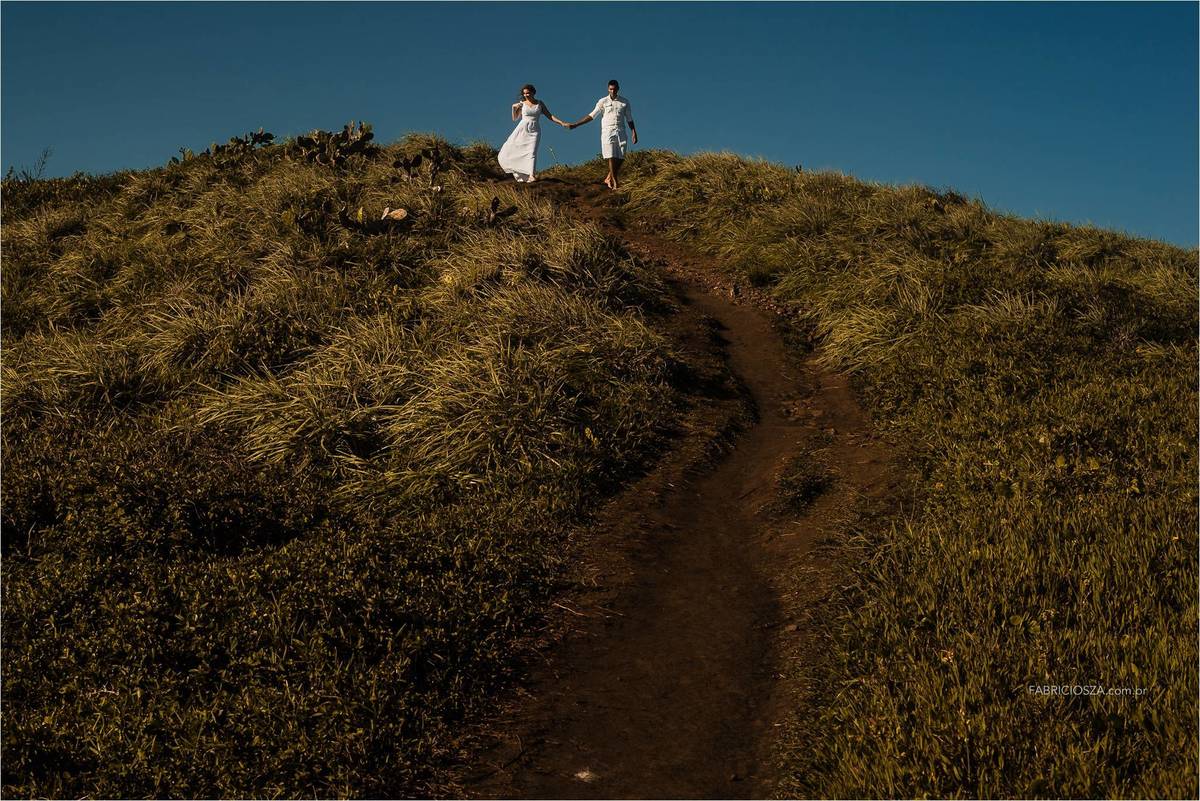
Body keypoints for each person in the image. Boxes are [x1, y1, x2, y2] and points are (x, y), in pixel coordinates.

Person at [567, 79, 638, 190]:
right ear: (608, 89)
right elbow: (592, 115)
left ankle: (609, 177)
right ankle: (615, 181)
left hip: (621, 130)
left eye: (614, 89)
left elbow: (629, 118)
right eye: (610, 89)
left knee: (621, 156)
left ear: (618, 89)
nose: (613, 91)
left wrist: (633, 131)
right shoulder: (603, 101)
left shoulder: (624, 102)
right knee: (610, 155)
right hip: (607, 131)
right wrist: (576, 124)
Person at [497, 84, 568, 183]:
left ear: (533, 93)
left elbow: (549, 115)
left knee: (532, 151)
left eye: (528, 93)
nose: (526, 95)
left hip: (535, 130)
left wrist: (561, 122)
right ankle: (520, 172)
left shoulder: (540, 103)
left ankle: (532, 175)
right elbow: (515, 118)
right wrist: (513, 107)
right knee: (515, 149)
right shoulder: (522, 104)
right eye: (524, 93)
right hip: (522, 129)